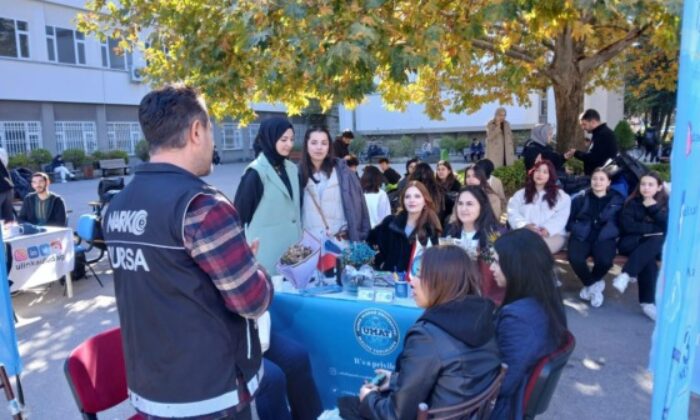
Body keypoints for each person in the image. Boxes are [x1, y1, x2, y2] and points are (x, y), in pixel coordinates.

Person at [102, 84, 271, 419]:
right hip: (210, 392)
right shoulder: (201, 205)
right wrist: (254, 268)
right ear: (196, 130)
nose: (213, 141)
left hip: (152, 387)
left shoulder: (118, 205)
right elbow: (252, 300)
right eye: (211, 129)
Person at [338, 245, 502, 420]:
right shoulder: (482, 317)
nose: (412, 281)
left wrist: (368, 398)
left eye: (420, 275)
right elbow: (451, 377)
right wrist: (395, 380)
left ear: (442, 282)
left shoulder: (428, 336)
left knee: (347, 405)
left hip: (431, 413)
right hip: (460, 412)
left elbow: (396, 415)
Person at [489, 229, 568, 420]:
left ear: (518, 267)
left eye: (497, 262)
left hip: (501, 409)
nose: (491, 267)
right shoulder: (546, 299)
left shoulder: (519, 318)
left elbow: (503, 384)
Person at [234, 117, 302, 274]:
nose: (289, 144)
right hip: (266, 255)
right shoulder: (256, 173)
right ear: (270, 138)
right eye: (283, 139)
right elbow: (239, 216)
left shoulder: (292, 169)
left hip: (292, 253)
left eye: (292, 139)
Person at [612, 171, 668, 321]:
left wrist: (653, 208)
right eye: (643, 184)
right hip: (630, 243)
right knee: (650, 253)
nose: (646, 188)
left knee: (651, 249)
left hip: (652, 246)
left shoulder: (665, 204)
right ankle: (647, 304)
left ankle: (626, 274)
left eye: (651, 185)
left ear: (659, 187)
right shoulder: (631, 202)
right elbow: (628, 226)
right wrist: (653, 230)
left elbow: (669, 226)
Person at [299, 126, 370, 242]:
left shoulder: (344, 174)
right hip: (308, 246)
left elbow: (360, 208)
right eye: (314, 143)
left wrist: (361, 237)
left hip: (339, 244)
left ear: (329, 147)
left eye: (324, 143)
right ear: (306, 145)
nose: (319, 147)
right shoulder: (297, 174)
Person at [566, 168, 624, 308]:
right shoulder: (580, 198)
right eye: (594, 179)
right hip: (582, 235)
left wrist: (614, 231)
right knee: (575, 258)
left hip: (604, 236)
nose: (597, 182)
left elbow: (622, 221)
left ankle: (593, 282)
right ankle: (593, 286)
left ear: (608, 182)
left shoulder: (617, 200)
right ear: (590, 181)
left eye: (602, 179)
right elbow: (569, 221)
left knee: (605, 261)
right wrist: (576, 228)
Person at [443, 186, 505, 305]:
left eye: (470, 204)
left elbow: (496, 268)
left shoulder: (495, 235)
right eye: (460, 204)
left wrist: (480, 255)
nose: (463, 208)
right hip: (452, 296)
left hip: (484, 300)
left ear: (482, 206)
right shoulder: (451, 230)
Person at [368, 181, 441, 273]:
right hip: (389, 282)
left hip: (416, 282)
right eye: (407, 197)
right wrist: (381, 262)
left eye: (417, 196)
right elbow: (370, 241)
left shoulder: (430, 229)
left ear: (425, 201)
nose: (412, 200)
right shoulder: (390, 222)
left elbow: (434, 262)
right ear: (403, 201)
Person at [507, 160, 571, 253]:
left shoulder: (561, 196)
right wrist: (524, 225)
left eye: (545, 172)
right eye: (537, 170)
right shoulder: (521, 194)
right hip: (525, 233)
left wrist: (546, 229)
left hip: (553, 235)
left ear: (551, 175)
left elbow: (561, 217)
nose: (540, 174)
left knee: (534, 250)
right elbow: (512, 212)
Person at [565, 109, 618, 176]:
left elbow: (593, 158)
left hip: (601, 177)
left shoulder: (603, 134)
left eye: (584, 124)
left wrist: (576, 153)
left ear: (593, 122)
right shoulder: (600, 133)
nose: (583, 128)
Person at [0, 147, 14, 221]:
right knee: (8, 217)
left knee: (7, 217)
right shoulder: (2, 151)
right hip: (8, 187)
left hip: (4, 189)